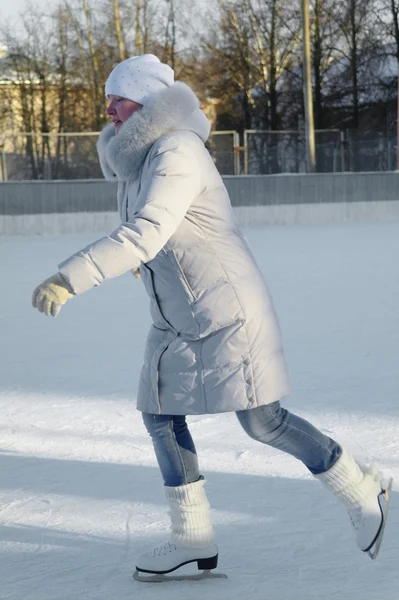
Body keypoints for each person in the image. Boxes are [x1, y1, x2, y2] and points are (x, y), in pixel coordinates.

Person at [32, 54, 392, 580]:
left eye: (120, 97)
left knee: (263, 422)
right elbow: (164, 237)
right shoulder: (141, 158)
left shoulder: (176, 149)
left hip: (224, 309)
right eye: (108, 96)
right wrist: (151, 270)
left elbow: (146, 232)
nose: (109, 106)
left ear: (149, 101)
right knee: (158, 411)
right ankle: (192, 535)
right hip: (181, 311)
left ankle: (361, 487)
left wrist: (69, 278)